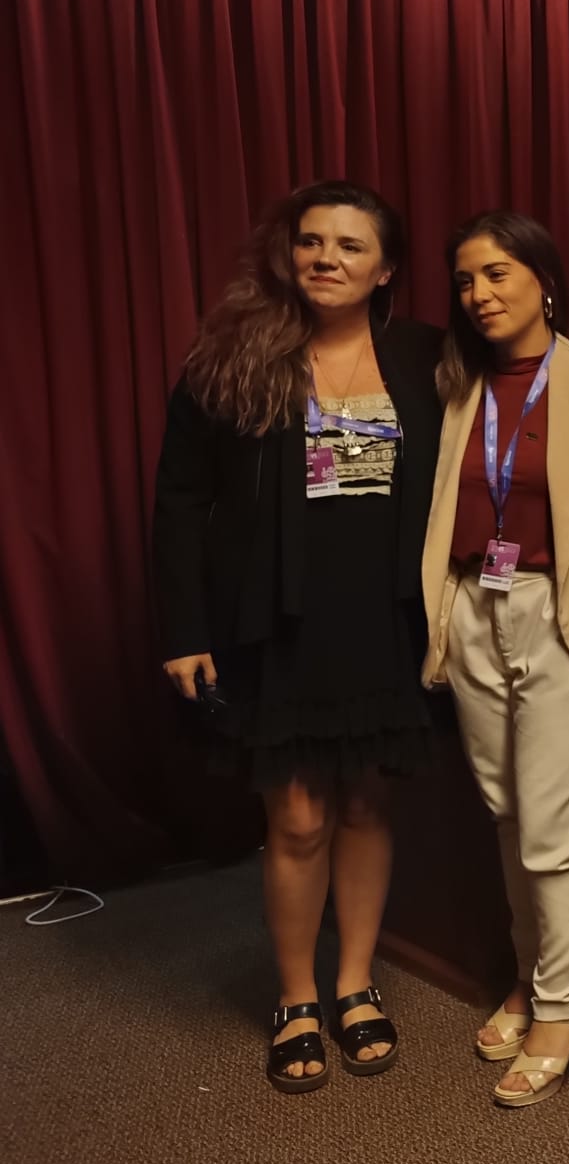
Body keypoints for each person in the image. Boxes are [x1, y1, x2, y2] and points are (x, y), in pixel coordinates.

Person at [152, 180, 444, 1094]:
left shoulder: (425, 356)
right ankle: (295, 998)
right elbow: (179, 502)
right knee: (297, 816)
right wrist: (181, 629)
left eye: (351, 246)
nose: (327, 258)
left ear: (386, 267)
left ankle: (355, 986)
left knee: (365, 806)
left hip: (385, 618)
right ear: (290, 254)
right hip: (275, 622)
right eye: (312, 242)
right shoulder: (234, 356)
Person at [420, 210, 569, 1108]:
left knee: (559, 828)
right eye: (467, 279)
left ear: (544, 281)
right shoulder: (455, 387)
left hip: (564, 614)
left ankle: (566, 1006)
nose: (479, 294)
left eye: (498, 275)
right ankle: (533, 976)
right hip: (475, 604)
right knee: (511, 813)